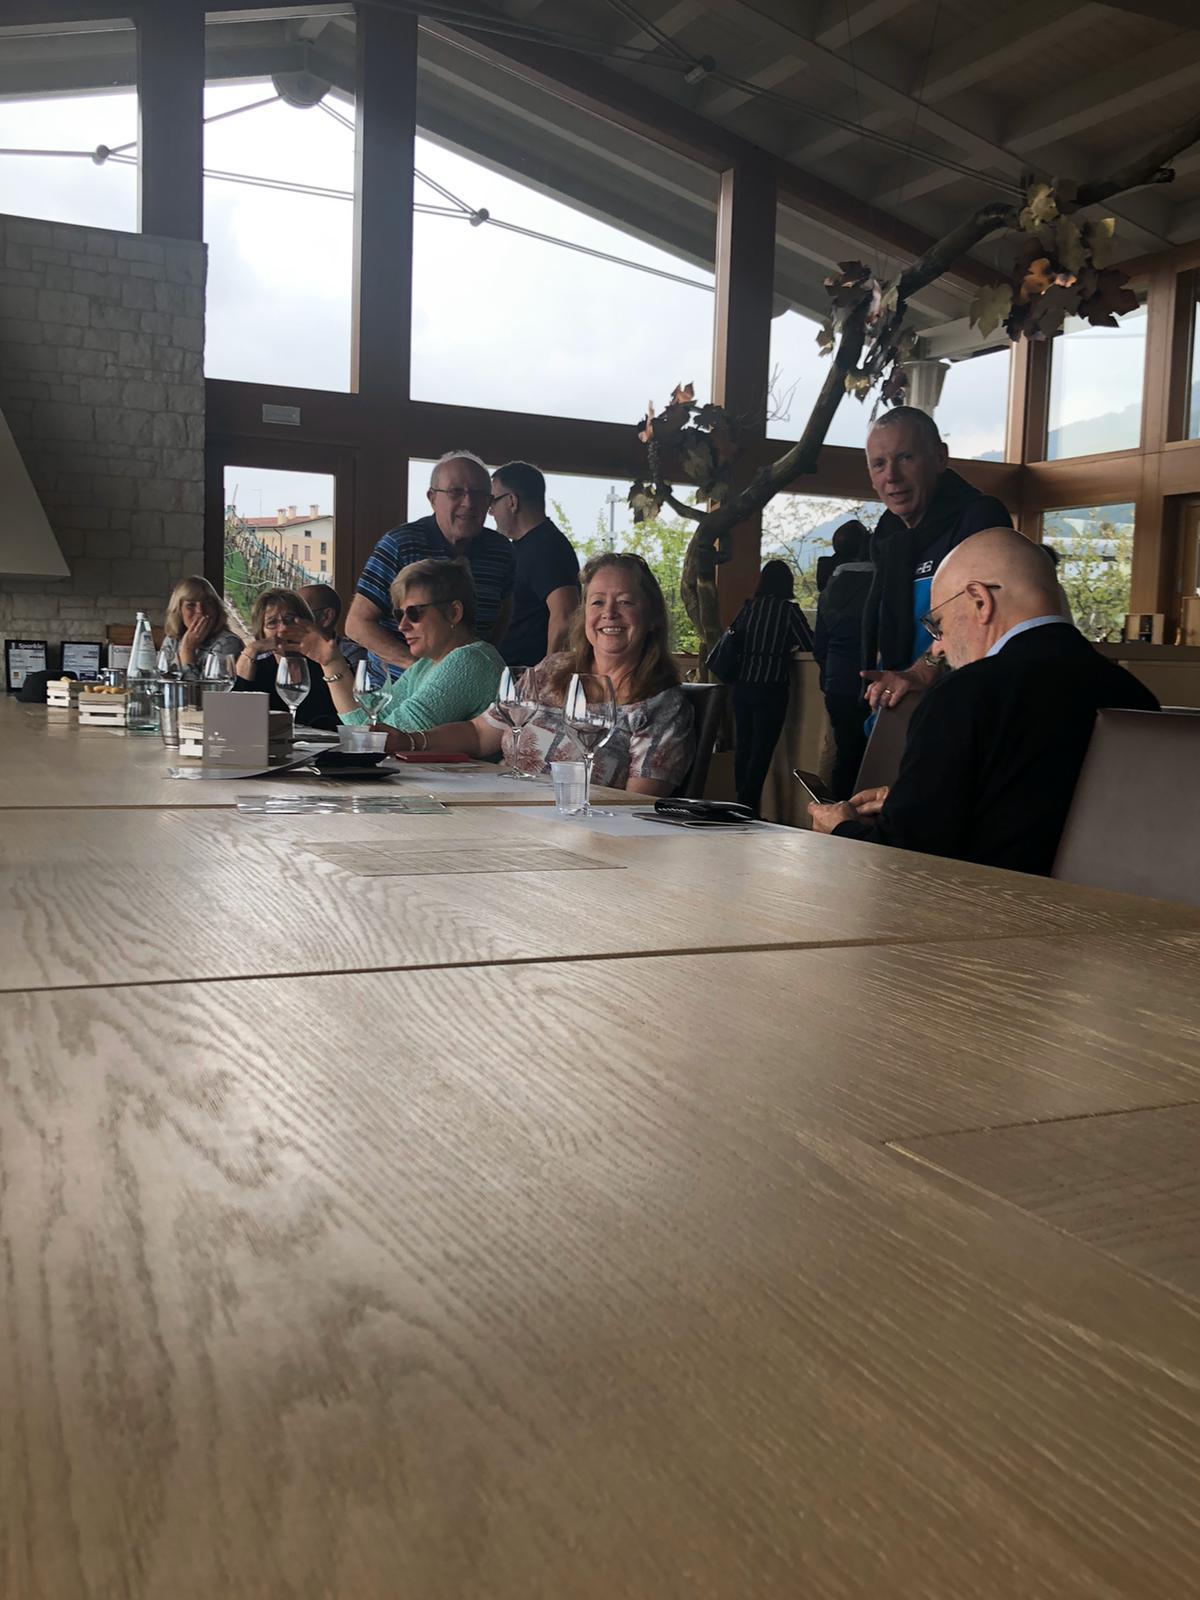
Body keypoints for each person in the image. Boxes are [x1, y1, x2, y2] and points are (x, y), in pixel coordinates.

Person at [809, 528, 1159, 876]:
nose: (938, 647)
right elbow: (1037, 809)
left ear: (980, 600)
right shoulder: (1135, 694)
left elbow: (902, 863)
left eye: (937, 625)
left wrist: (841, 829)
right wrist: (912, 801)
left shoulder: (963, 695)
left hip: (982, 904)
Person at [382, 552, 695, 796]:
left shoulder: (661, 705)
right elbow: (478, 735)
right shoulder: (550, 671)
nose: (609, 614)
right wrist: (409, 741)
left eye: (625, 602)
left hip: (581, 837)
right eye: (597, 602)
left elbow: (637, 805)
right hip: (499, 810)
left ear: (652, 618)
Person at [861, 407, 1012, 715]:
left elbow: (987, 617)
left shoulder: (979, 518)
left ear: (940, 457)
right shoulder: (887, 537)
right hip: (897, 709)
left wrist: (924, 669)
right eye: (879, 464)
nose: (891, 476)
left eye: (905, 457)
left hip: (960, 711)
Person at [346, 450, 514, 678]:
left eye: (479, 493)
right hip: (394, 688)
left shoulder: (502, 551)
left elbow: (503, 614)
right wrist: (420, 670)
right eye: (456, 492)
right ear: (432, 498)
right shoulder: (400, 544)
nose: (469, 502)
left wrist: (482, 663)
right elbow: (357, 624)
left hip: (466, 684)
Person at [291, 559, 504, 733]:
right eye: (399, 614)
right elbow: (368, 723)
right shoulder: (425, 665)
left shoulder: (469, 660)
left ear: (454, 612)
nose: (402, 626)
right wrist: (331, 662)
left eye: (414, 613)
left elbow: (395, 733)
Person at [727, 559, 814, 814]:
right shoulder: (788, 611)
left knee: (744, 746)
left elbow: (734, 637)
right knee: (762, 750)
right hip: (770, 686)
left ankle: (739, 802)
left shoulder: (748, 608)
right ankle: (747, 806)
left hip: (741, 685)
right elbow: (809, 643)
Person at [489, 460, 580, 667]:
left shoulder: (547, 546)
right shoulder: (526, 547)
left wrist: (546, 675)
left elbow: (565, 615)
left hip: (528, 678)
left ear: (512, 501)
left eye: (493, 501)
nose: (490, 511)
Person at [813, 521, 875, 800]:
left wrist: (829, 674)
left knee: (844, 753)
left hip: (836, 682)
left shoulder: (829, 589)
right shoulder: (880, 583)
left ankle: (838, 811)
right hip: (872, 681)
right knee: (870, 755)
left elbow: (819, 645)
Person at [233, 588, 339, 730]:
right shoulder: (257, 669)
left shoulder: (327, 665)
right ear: (261, 633)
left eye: (290, 620)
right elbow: (233, 715)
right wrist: (250, 650)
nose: (283, 628)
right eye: (272, 623)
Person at [160, 575, 243, 677]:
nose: (200, 611)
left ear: (216, 609)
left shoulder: (229, 642)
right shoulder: (172, 640)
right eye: (191, 605)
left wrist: (188, 650)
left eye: (208, 603)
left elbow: (212, 687)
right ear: (179, 610)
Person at [297, 583, 367, 676]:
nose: (292, 621)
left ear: (326, 616)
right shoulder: (286, 649)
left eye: (299, 613)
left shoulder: (352, 655)